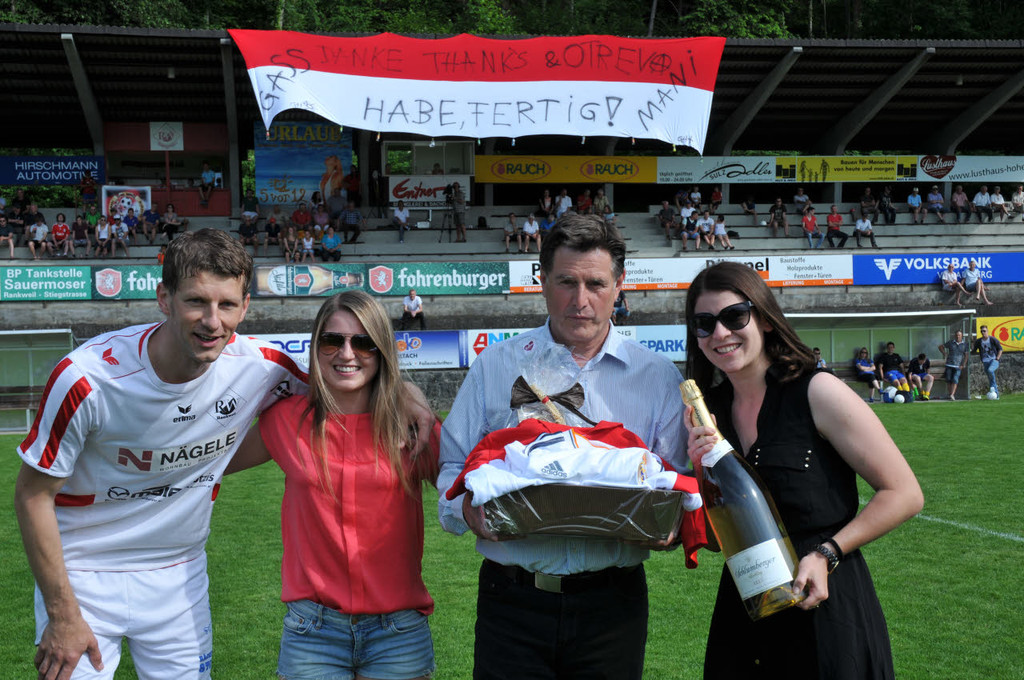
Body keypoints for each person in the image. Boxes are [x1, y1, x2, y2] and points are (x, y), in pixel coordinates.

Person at [15, 229, 432, 680]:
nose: (212, 321)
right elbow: (32, 495)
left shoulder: (263, 367)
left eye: (227, 305)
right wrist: (62, 613)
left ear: (245, 307)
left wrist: (407, 392)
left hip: (180, 574)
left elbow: (350, 379)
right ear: (164, 298)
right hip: (83, 573)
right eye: (197, 301)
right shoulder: (86, 379)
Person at [438, 214, 686, 679]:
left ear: (619, 286)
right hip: (512, 602)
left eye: (596, 284)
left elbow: (676, 483)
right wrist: (467, 510)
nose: (581, 300)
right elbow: (453, 464)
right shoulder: (496, 366)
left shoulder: (657, 376)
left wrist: (669, 524)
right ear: (543, 281)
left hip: (613, 607)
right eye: (566, 282)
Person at [684, 262, 923, 678]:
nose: (719, 333)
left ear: (765, 319)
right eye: (704, 323)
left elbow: (904, 493)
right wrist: (700, 472)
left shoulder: (817, 390)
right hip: (746, 608)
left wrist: (827, 553)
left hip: (825, 602)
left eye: (734, 317)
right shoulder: (709, 414)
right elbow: (715, 532)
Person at [225, 291, 441, 680]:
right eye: (332, 340)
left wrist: (409, 393)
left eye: (363, 342)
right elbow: (206, 460)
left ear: (382, 350)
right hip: (313, 632)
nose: (347, 353)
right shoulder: (285, 419)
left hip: (398, 633)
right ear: (316, 346)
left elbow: (473, 485)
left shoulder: (413, 427)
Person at [972, 325, 1003, 398]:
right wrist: (971, 345)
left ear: (987, 331)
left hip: (994, 360)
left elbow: (1000, 349)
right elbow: (974, 350)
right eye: (981, 331)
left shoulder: (992, 339)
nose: (983, 332)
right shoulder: (979, 341)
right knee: (990, 379)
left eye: (984, 331)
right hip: (985, 361)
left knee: (990, 371)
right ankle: (996, 395)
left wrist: (997, 358)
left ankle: (995, 390)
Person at [939, 329, 969, 400]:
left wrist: (963, 364)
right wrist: (944, 353)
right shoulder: (951, 342)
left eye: (959, 335)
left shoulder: (965, 344)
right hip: (949, 364)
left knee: (955, 380)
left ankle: (952, 394)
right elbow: (940, 347)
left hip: (958, 365)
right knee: (949, 380)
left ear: (962, 336)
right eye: (957, 335)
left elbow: (966, 355)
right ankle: (950, 395)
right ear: (955, 336)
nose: (958, 336)